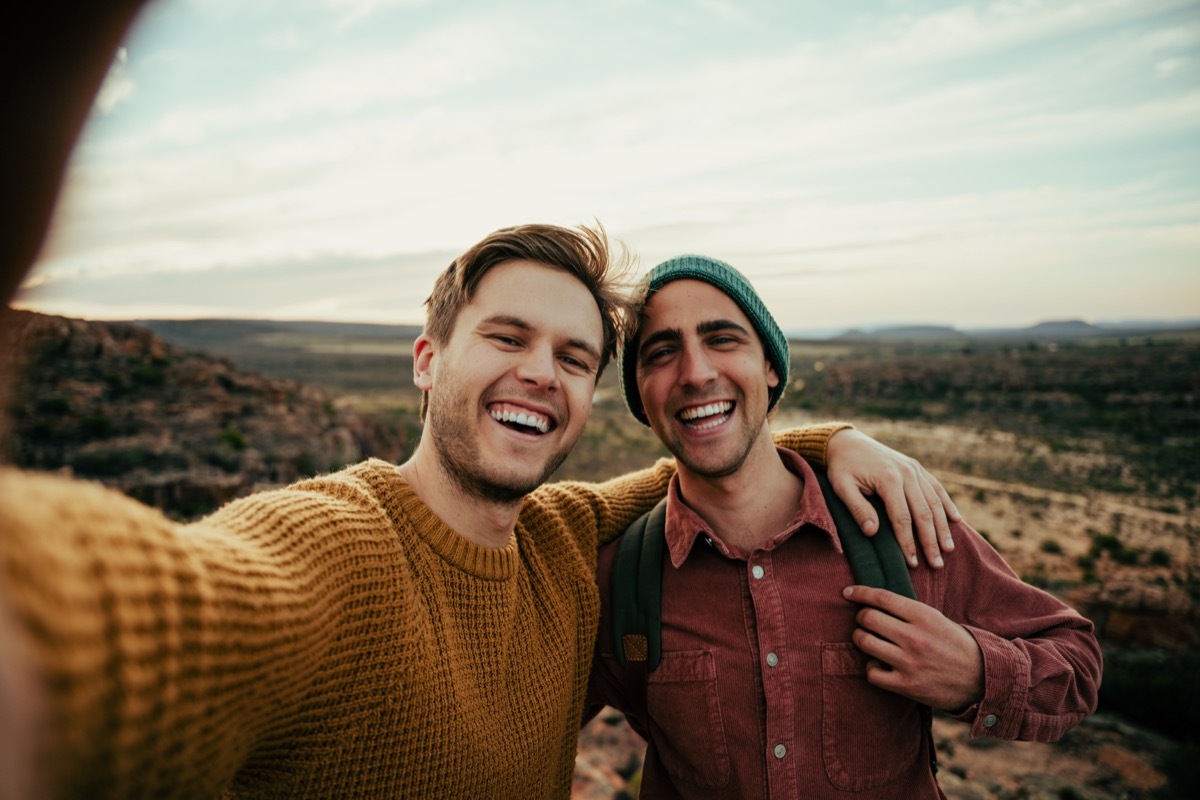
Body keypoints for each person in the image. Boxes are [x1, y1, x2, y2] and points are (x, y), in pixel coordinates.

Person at [0, 5, 962, 799]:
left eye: (574, 357)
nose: (542, 372)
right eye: (507, 338)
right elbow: (163, 621)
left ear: (591, 391)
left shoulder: (559, 540)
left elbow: (704, 455)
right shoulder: (338, 546)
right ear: (428, 359)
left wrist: (829, 440)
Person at [585, 255, 1104, 799]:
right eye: (662, 352)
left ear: (771, 366)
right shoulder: (619, 578)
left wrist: (976, 673)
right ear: (641, 395)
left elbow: (1077, 659)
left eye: (722, 339)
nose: (695, 373)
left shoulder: (895, 528)